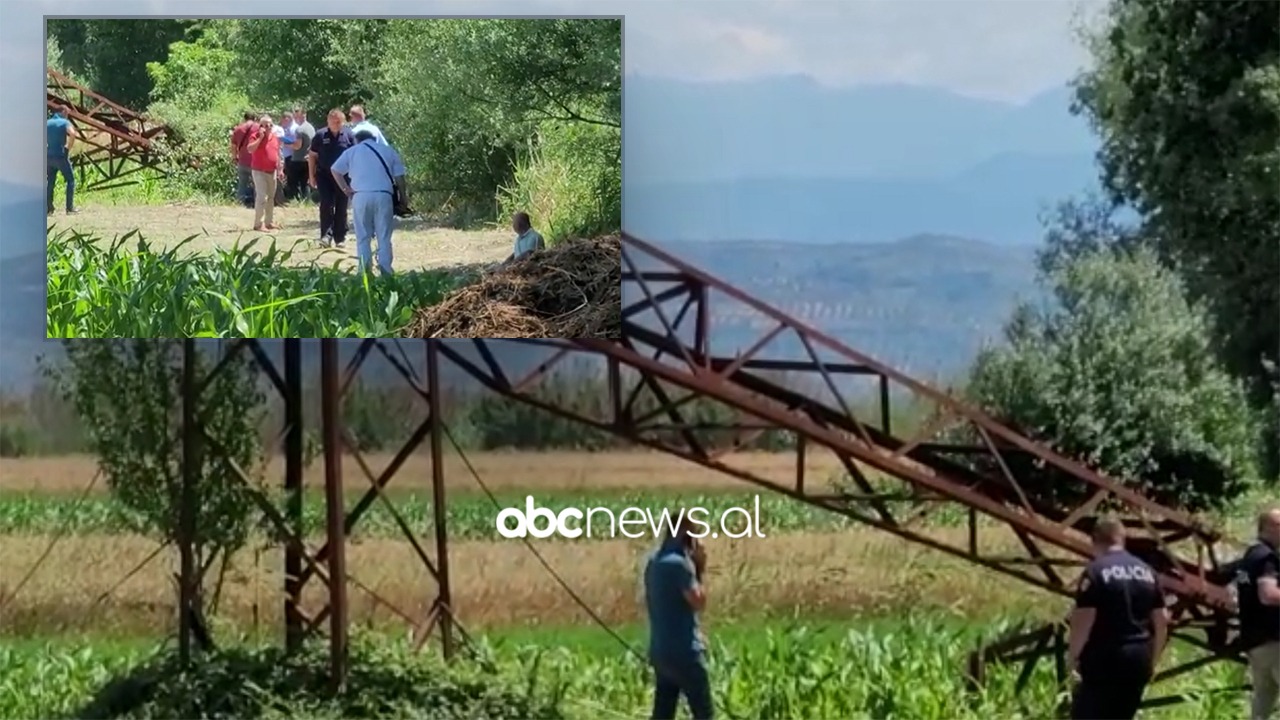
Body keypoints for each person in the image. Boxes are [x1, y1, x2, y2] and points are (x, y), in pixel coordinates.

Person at [1067, 516, 1168, 720]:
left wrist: (1072, 657)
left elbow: (1084, 619)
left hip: (1106, 658)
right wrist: (1153, 660)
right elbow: (1162, 620)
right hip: (1138, 658)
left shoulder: (1095, 571)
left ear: (1095, 540)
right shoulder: (1148, 572)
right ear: (1123, 539)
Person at [643, 518, 713, 720]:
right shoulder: (680, 564)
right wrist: (700, 566)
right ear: (686, 535)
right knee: (704, 713)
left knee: (663, 714)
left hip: (660, 651)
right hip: (685, 651)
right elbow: (698, 602)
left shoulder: (653, 562)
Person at [329, 129, 408, 275]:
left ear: (357, 139)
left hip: (360, 195)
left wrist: (346, 189)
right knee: (383, 235)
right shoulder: (388, 151)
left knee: (363, 236)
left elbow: (335, 169)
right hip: (383, 194)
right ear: (374, 138)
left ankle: (364, 271)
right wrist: (403, 198)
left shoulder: (352, 151)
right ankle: (386, 271)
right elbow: (399, 178)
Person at [1234, 508, 1280, 720]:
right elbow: (1268, 595)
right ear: (1270, 527)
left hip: (1254, 642)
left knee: (1263, 699)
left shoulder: (1250, 556)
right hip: (1273, 641)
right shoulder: (1267, 557)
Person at [308, 108, 356, 248]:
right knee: (326, 204)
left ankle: (340, 237)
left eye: (338, 121)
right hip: (324, 176)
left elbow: (355, 157)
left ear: (343, 122)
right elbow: (312, 156)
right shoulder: (320, 135)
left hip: (343, 177)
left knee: (342, 205)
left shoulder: (349, 135)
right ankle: (326, 235)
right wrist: (311, 176)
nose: (335, 124)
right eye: (332, 121)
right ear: (328, 121)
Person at [244, 114, 283, 231]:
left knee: (271, 197)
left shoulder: (275, 137)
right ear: (260, 126)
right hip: (259, 171)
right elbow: (250, 149)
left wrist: (280, 169)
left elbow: (278, 154)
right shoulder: (254, 136)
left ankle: (269, 222)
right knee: (262, 197)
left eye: (270, 125)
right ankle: (258, 224)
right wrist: (260, 138)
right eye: (265, 125)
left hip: (272, 171)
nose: (268, 127)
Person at [46, 100, 80, 215]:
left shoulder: (47, 123)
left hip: (48, 156)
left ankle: (49, 208)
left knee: (50, 181)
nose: (68, 115)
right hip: (60, 155)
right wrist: (67, 148)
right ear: (64, 111)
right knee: (70, 180)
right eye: (68, 113)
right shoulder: (65, 122)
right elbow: (73, 134)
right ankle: (69, 208)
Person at [286, 106, 315, 201]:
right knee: (305, 182)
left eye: (296, 113)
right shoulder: (311, 127)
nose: (294, 116)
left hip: (298, 159)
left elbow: (297, 145)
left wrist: (287, 144)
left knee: (294, 182)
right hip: (308, 158)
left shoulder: (300, 130)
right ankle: (307, 200)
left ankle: (295, 200)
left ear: (302, 114)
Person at [229, 111, 256, 208]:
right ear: (254, 118)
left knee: (242, 184)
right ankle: (257, 204)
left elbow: (233, 146)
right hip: (255, 161)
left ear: (244, 118)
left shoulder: (238, 129)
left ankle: (240, 203)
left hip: (242, 161)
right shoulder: (258, 128)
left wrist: (234, 157)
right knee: (257, 184)